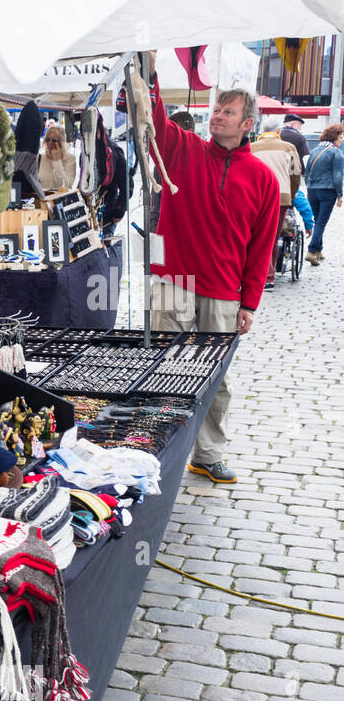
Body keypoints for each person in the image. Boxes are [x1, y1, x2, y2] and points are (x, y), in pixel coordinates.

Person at [148, 78, 280, 486]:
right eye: (216, 111)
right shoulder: (183, 148)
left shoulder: (263, 179)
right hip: (173, 279)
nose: (218, 118)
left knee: (214, 379)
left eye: (228, 112)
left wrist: (250, 302)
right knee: (163, 367)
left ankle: (207, 455)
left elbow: (262, 247)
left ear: (247, 123)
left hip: (223, 290)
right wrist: (147, 72)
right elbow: (153, 120)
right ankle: (155, 446)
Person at [250, 118, 302, 289]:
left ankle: (251, 274)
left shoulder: (251, 148)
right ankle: (268, 277)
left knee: (253, 235)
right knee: (272, 236)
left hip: (255, 197)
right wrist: (292, 195)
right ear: (278, 131)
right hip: (281, 197)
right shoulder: (289, 148)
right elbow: (295, 175)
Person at [304, 123, 344, 265]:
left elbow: (307, 172)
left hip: (313, 190)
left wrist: (309, 189)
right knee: (321, 222)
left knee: (317, 219)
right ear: (334, 137)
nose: (342, 139)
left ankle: (319, 249)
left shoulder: (315, 150)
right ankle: (312, 250)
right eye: (340, 137)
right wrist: (340, 195)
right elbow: (338, 176)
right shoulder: (336, 152)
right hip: (328, 191)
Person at [37, 125, 78, 190]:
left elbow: (65, 186)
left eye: (54, 140)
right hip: (43, 198)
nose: (49, 143)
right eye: (47, 139)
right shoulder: (41, 157)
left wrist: (56, 160)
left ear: (61, 141)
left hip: (59, 198)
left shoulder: (70, 158)